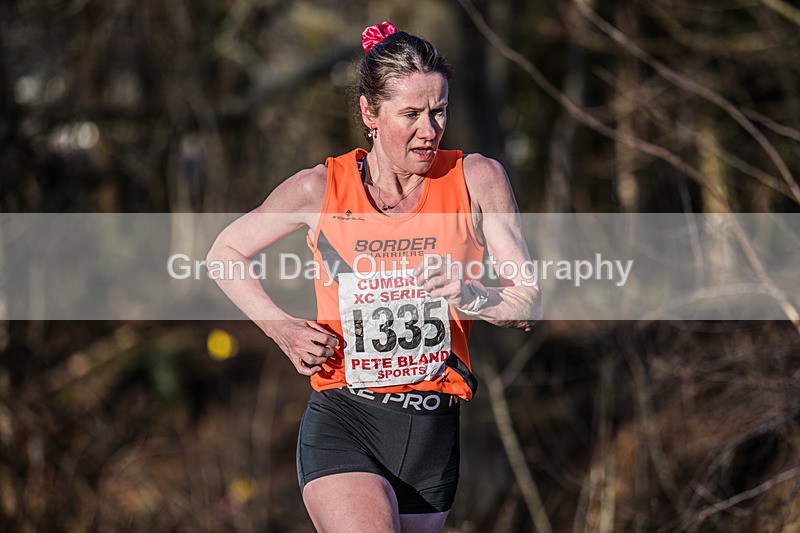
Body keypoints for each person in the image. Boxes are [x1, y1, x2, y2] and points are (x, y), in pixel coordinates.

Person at [207, 21, 541, 533]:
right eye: (410, 114)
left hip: (433, 431)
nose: (429, 130)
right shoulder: (319, 189)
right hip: (346, 417)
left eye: (439, 111)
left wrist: (471, 293)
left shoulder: (477, 179)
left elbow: (527, 303)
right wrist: (281, 327)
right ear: (370, 113)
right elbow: (224, 253)